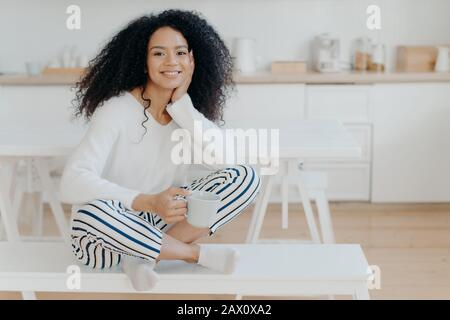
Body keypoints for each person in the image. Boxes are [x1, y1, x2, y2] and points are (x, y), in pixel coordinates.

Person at [60, 9, 261, 291]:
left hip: (160, 224)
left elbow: (229, 165)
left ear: (192, 60)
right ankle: (192, 254)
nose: (171, 62)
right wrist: (146, 201)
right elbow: (71, 183)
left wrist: (183, 106)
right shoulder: (116, 110)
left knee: (247, 177)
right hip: (108, 236)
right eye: (158, 53)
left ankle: (142, 258)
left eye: (180, 53)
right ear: (143, 62)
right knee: (89, 213)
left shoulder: (185, 114)